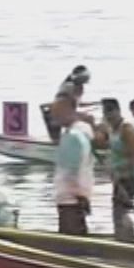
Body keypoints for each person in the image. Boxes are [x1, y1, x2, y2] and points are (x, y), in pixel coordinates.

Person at [51, 93, 97, 236]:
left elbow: (73, 168)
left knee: (71, 235)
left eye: (56, 112)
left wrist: (79, 194)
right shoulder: (81, 130)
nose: (53, 116)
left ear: (67, 110)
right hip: (73, 195)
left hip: (70, 197)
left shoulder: (74, 135)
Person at [99, 98, 134, 240]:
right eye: (106, 113)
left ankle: (126, 239)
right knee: (119, 210)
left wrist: (121, 171)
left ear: (118, 111)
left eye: (111, 112)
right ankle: (124, 236)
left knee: (120, 210)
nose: (108, 116)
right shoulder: (111, 128)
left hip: (131, 176)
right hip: (119, 176)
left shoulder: (127, 129)